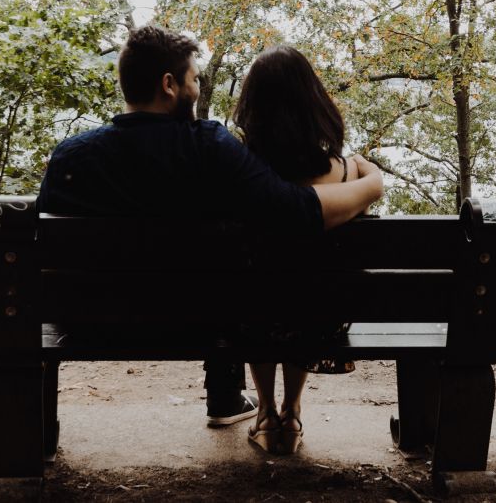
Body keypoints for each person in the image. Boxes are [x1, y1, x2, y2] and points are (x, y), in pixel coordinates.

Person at [36, 26, 382, 428]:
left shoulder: (70, 157)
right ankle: (228, 396)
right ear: (169, 85)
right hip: (191, 325)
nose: (198, 87)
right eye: (194, 79)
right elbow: (294, 210)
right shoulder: (208, 148)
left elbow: (45, 246)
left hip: (83, 322)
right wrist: (370, 185)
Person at [232, 45, 365, 454]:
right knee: (303, 294)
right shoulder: (345, 173)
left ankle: (266, 413)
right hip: (320, 317)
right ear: (314, 102)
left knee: (257, 297)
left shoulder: (241, 173)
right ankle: (291, 412)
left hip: (248, 315)